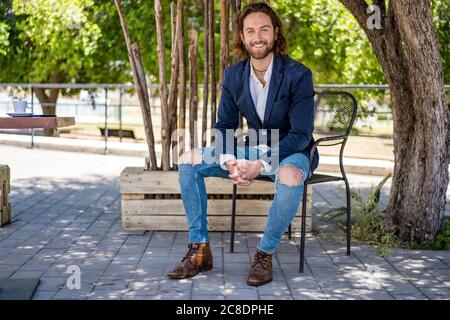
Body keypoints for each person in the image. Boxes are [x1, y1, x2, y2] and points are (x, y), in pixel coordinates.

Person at [167, 2, 318, 286]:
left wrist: (260, 164)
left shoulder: (298, 74)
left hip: (292, 151)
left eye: (263, 29)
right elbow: (225, 125)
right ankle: (199, 250)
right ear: (242, 36)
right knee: (188, 159)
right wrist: (230, 162)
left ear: (275, 32)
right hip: (252, 148)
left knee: (289, 175)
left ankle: (264, 253)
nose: (257, 36)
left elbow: (300, 134)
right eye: (250, 31)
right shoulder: (234, 75)